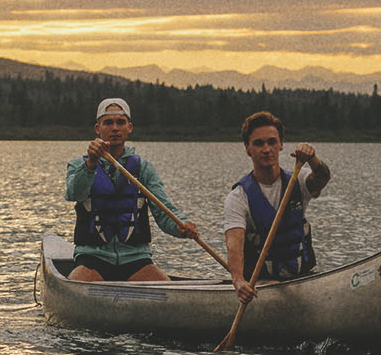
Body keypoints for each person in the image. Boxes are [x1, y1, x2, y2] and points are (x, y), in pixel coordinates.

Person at [62, 98, 200, 282]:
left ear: (129, 127)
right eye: (108, 122)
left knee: (166, 286)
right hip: (92, 259)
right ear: (98, 128)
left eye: (120, 122)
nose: (115, 128)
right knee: (78, 279)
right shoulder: (80, 165)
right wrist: (91, 164)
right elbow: (74, 194)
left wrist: (182, 226)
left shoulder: (144, 168)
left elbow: (164, 210)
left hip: (136, 259)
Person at [222, 110, 332, 304]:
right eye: (258, 143)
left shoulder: (299, 180)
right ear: (247, 148)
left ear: (281, 144)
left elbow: (322, 178)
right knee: (269, 284)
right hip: (262, 284)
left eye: (272, 142)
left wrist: (312, 158)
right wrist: (238, 281)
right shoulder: (238, 197)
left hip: (302, 278)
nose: (266, 149)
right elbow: (234, 244)